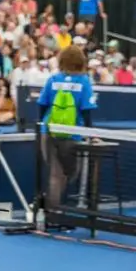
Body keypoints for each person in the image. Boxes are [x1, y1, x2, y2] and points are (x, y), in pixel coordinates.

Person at [37, 45, 97, 212]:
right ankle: (52, 211)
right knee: (69, 173)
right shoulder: (84, 82)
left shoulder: (53, 79)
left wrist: (41, 126)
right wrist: (91, 135)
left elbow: (42, 105)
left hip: (48, 132)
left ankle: (50, 210)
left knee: (56, 174)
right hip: (71, 135)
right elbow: (87, 111)